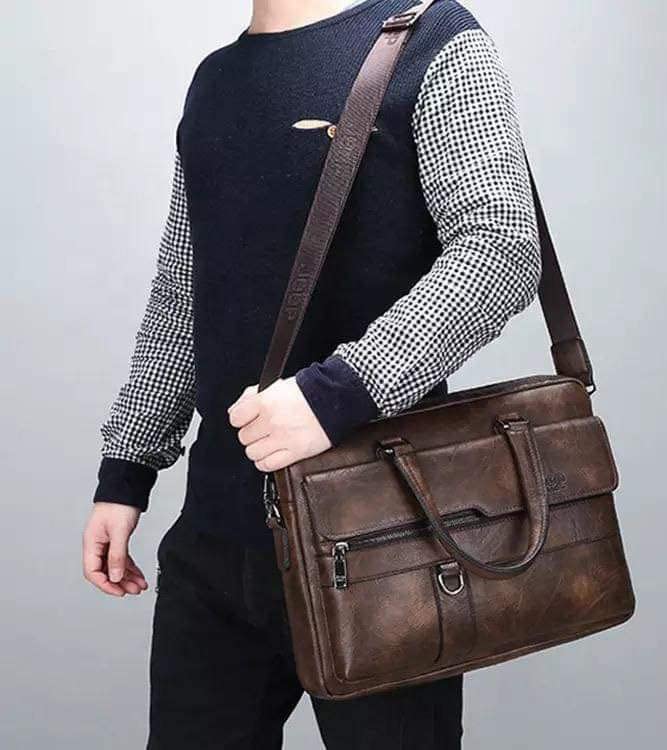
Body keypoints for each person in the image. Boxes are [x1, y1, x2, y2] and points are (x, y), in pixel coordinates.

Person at [81, 0, 542, 747]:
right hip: (216, 544)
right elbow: (184, 289)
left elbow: (500, 248)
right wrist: (126, 470)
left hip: (384, 543)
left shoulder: (436, 40)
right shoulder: (216, 79)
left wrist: (336, 395)